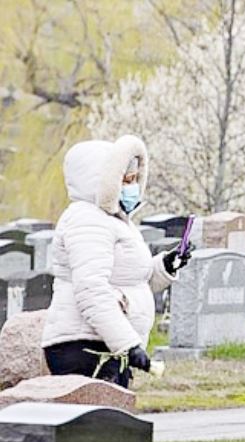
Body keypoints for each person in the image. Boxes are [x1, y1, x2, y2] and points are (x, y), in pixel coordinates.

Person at [40, 135, 191, 388]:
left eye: (135, 180)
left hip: (106, 343)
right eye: (126, 181)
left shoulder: (115, 221)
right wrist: (127, 344)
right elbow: (91, 290)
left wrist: (165, 266)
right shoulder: (87, 220)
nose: (133, 187)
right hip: (84, 346)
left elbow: (130, 284)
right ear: (102, 180)